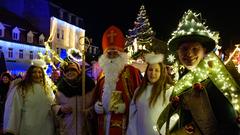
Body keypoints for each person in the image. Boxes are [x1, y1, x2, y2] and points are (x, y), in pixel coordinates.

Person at [157, 10, 240, 135]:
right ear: (178, 52)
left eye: (195, 49)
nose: (189, 54)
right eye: (184, 49)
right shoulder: (182, 79)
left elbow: (229, 122)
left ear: (204, 51)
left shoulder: (217, 79)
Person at [94, 25, 142, 135]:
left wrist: (126, 107)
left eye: (115, 53)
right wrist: (96, 106)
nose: (111, 57)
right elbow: (97, 96)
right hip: (103, 124)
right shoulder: (101, 74)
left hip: (124, 126)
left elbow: (140, 100)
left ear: (121, 55)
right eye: (108, 54)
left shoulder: (131, 72)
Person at [126, 53, 178, 135]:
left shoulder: (168, 90)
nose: (153, 73)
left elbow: (176, 114)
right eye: (150, 70)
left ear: (161, 73)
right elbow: (132, 115)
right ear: (147, 71)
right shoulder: (139, 91)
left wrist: (163, 131)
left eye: (156, 70)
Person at [3, 60, 56, 135]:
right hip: (27, 128)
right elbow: (15, 109)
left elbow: (53, 105)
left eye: (39, 72)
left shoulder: (47, 89)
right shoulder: (22, 88)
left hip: (46, 128)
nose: (37, 75)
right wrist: (12, 129)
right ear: (29, 74)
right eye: (34, 72)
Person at [55, 60, 97, 135]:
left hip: (85, 127)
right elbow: (54, 106)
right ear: (64, 73)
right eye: (67, 71)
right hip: (68, 128)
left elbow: (96, 104)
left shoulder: (89, 86)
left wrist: (89, 111)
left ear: (79, 71)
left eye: (73, 69)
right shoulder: (60, 89)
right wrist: (60, 109)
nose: (70, 72)